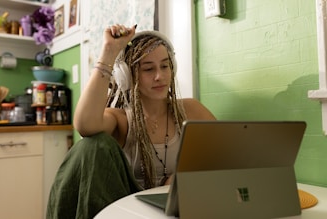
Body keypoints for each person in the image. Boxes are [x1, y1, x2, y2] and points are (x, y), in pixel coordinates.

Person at [46, 24, 216, 219]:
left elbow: (224, 154)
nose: (159, 76)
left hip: (179, 205)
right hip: (128, 208)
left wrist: (182, 176)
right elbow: (84, 125)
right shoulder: (120, 119)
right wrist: (109, 53)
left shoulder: (191, 110)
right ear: (127, 76)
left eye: (165, 66)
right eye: (148, 69)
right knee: (91, 145)